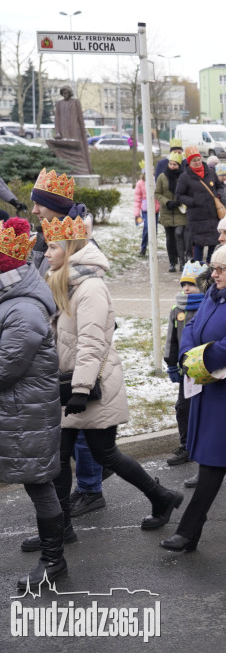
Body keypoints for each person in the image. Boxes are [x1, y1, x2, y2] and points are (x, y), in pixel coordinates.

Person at [39, 214, 184, 549]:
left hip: (89, 385)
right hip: (69, 383)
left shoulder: (89, 287)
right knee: (61, 457)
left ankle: (162, 496)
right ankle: (61, 528)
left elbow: (92, 342)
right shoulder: (65, 281)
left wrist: (80, 389)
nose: (46, 253)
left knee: (106, 454)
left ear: (70, 248)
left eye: (52, 246)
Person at [159, 230, 226, 552]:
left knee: (214, 462)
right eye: (214, 268)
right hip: (209, 389)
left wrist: (199, 361)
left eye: (221, 269)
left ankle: (189, 532)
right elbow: (191, 327)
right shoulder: (213, 294)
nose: (213, 274)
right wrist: (190, 357)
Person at [26, 170, 107, 519]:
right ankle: (72, 504)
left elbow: (89, 292)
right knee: (69, 428)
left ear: (54, 208)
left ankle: (90, 489)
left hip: (77, 340)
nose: (34, 211)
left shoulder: (77, 239)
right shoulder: (48, 237)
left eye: (39, 205)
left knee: (83, 423)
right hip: (58, 339)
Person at [0, 218, 65, 591]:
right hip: (16, 413)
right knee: (38, 486)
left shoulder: (22, 310)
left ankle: (53, 560)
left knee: (40, 486)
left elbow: (6, 368)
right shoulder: (12, 300)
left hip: (25, 415)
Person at [164, 261, 209, 468]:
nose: (186, 288)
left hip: (206, 369)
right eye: (184, 284)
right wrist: (172, 364)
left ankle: (207, 446)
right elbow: (172, 340)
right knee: (183, 408)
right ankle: (186, 445)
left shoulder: (208, 306)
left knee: (206, 409)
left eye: (191, 284)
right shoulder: (177, 310)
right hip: (186, 371)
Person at [175, 146, 223, 263]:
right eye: (194, 161)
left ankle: (211, 267)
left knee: (214, 242)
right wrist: (193, 201)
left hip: (212, 215)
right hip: (196, 216)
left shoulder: (210, 172)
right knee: (198, 244)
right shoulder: (185, 177)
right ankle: (198, 268)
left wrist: (217, 196)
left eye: (198, 160)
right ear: (189, 162)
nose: (197, 163)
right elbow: (179, 195)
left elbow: (219, 187)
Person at [156, 151, 188, 273]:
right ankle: (172, 262)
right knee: (170, 238)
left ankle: (182, 260)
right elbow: (157, 193)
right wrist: (167, 202)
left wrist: (181, 200)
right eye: (171, 164)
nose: (172, 166)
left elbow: (187, 191)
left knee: (179, 234)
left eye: (175, 164)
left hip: (180, 212)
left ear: (179, 165)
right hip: (167, 212)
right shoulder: (162, 177)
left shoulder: (183, 177)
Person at [132, 165, 158, 257]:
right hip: (146, 209)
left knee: (154, 229)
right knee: (147, 228)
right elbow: (137, 199)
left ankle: (153, 249)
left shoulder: (156, 181)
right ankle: (143, 249)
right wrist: (136, 213)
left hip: (156, 209)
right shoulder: (140, 183)